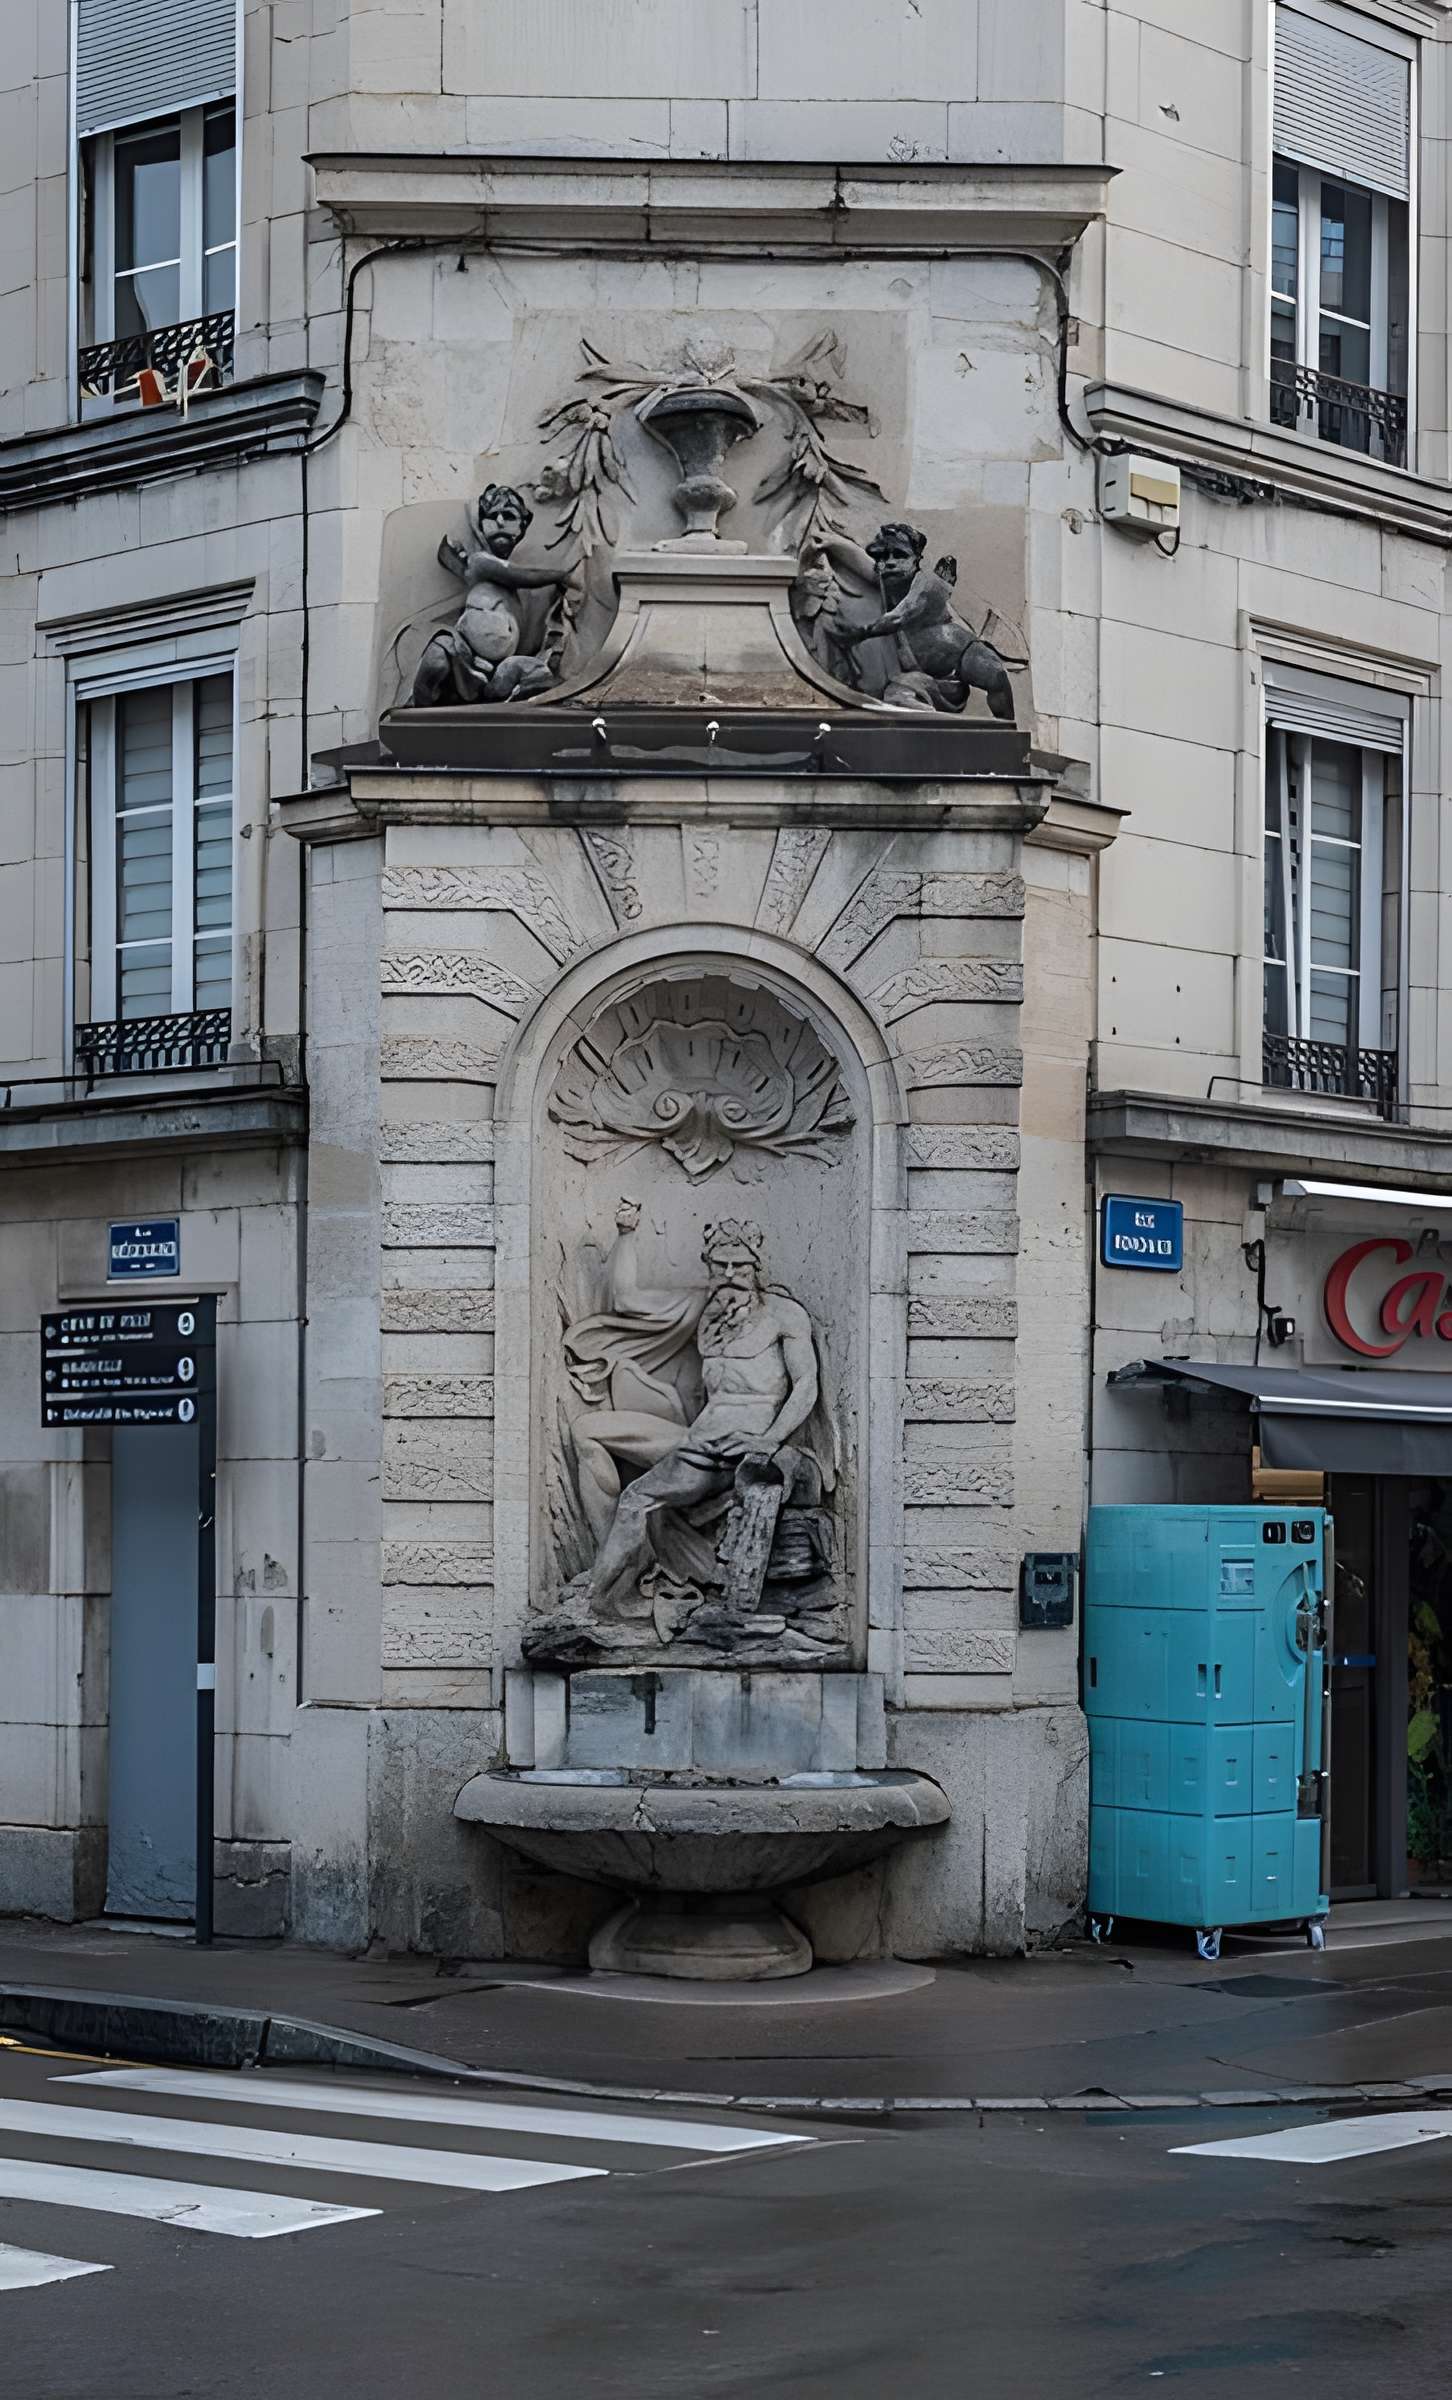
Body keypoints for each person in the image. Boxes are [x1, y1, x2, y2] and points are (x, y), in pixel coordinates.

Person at [563, 1214, 821, 1620]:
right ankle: (619, 1566)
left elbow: (806, 1384)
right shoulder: (705, 1308)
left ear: (757, 1267)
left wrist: (770, 1441)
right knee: (587, 1430)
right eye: (720, 1265)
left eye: (740, 1265)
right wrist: (626, 1234)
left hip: (733, 1452)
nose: (730, 1273)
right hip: (696, 1441)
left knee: (637, 1499)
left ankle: (602, 1597)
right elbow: (627, 1299)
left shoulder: (783, 1315)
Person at [409, 484, 568, 706]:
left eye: (509, 516)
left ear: (523, 526)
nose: (500, 522)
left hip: (498, 670)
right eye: (493, 516)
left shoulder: (528, 596)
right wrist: (560, 575)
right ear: (481, 525)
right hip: (467, 656)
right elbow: (522, 576)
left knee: (539, 675)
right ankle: (417, 713)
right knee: (437, 656)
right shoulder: (480, 562)